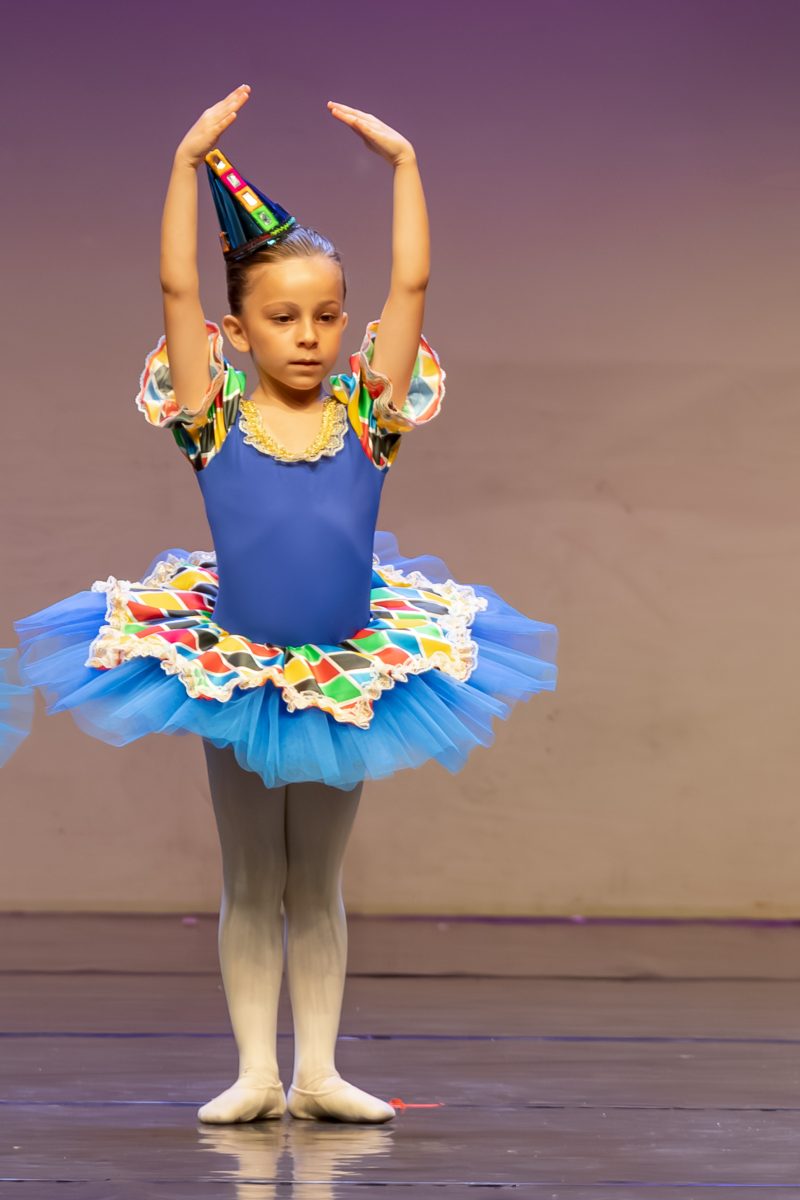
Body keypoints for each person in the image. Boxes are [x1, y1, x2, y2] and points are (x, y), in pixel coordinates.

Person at [0, 86, 559, 1124]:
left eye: (327, 317)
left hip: (349, 668)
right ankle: (257, 1070)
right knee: (254, 875)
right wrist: (185, 164)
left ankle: (319, 1072)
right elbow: (174, 282)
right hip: (238, 668)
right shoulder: (209, 416)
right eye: (282, 318)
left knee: (320, 879)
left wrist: (405, 166)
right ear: (235, 329)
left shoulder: (370, 413)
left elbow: (413, 280)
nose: (309, 338)